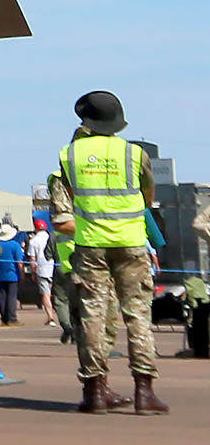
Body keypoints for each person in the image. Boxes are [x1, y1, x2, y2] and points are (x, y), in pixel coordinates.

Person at [54, 89, 169, 414]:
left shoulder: (69, 156)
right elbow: (147, 197)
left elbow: (62, 211)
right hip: (130, 243)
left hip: (90, 244)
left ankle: (95, 390)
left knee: (92, 315)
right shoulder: (134, 153)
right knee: (138, 315)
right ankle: (144, 391)